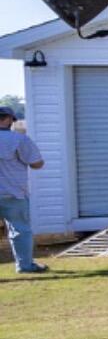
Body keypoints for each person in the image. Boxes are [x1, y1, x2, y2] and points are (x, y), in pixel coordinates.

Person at [0, 104, 47, 274]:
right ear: (7, 120)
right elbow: (37, 164)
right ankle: (25, 266)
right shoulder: (19, 139)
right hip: (14, 193)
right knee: (20, 230)